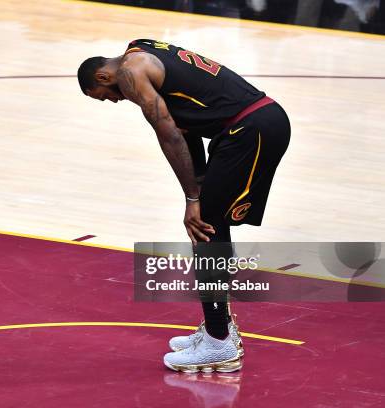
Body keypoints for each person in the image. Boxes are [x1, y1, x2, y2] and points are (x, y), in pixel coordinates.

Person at [77, 39, 290, 373]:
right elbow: (183, 127)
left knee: (206, 225)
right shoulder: (141, 49)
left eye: (106, 96)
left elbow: (170, 135)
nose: (115, 101)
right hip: (248, 127)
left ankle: (219, 342)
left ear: (104, 77)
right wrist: (200, 182)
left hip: (252, 130)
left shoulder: (132, 74)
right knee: (209, 223)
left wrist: (193, 199)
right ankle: (219, 329)